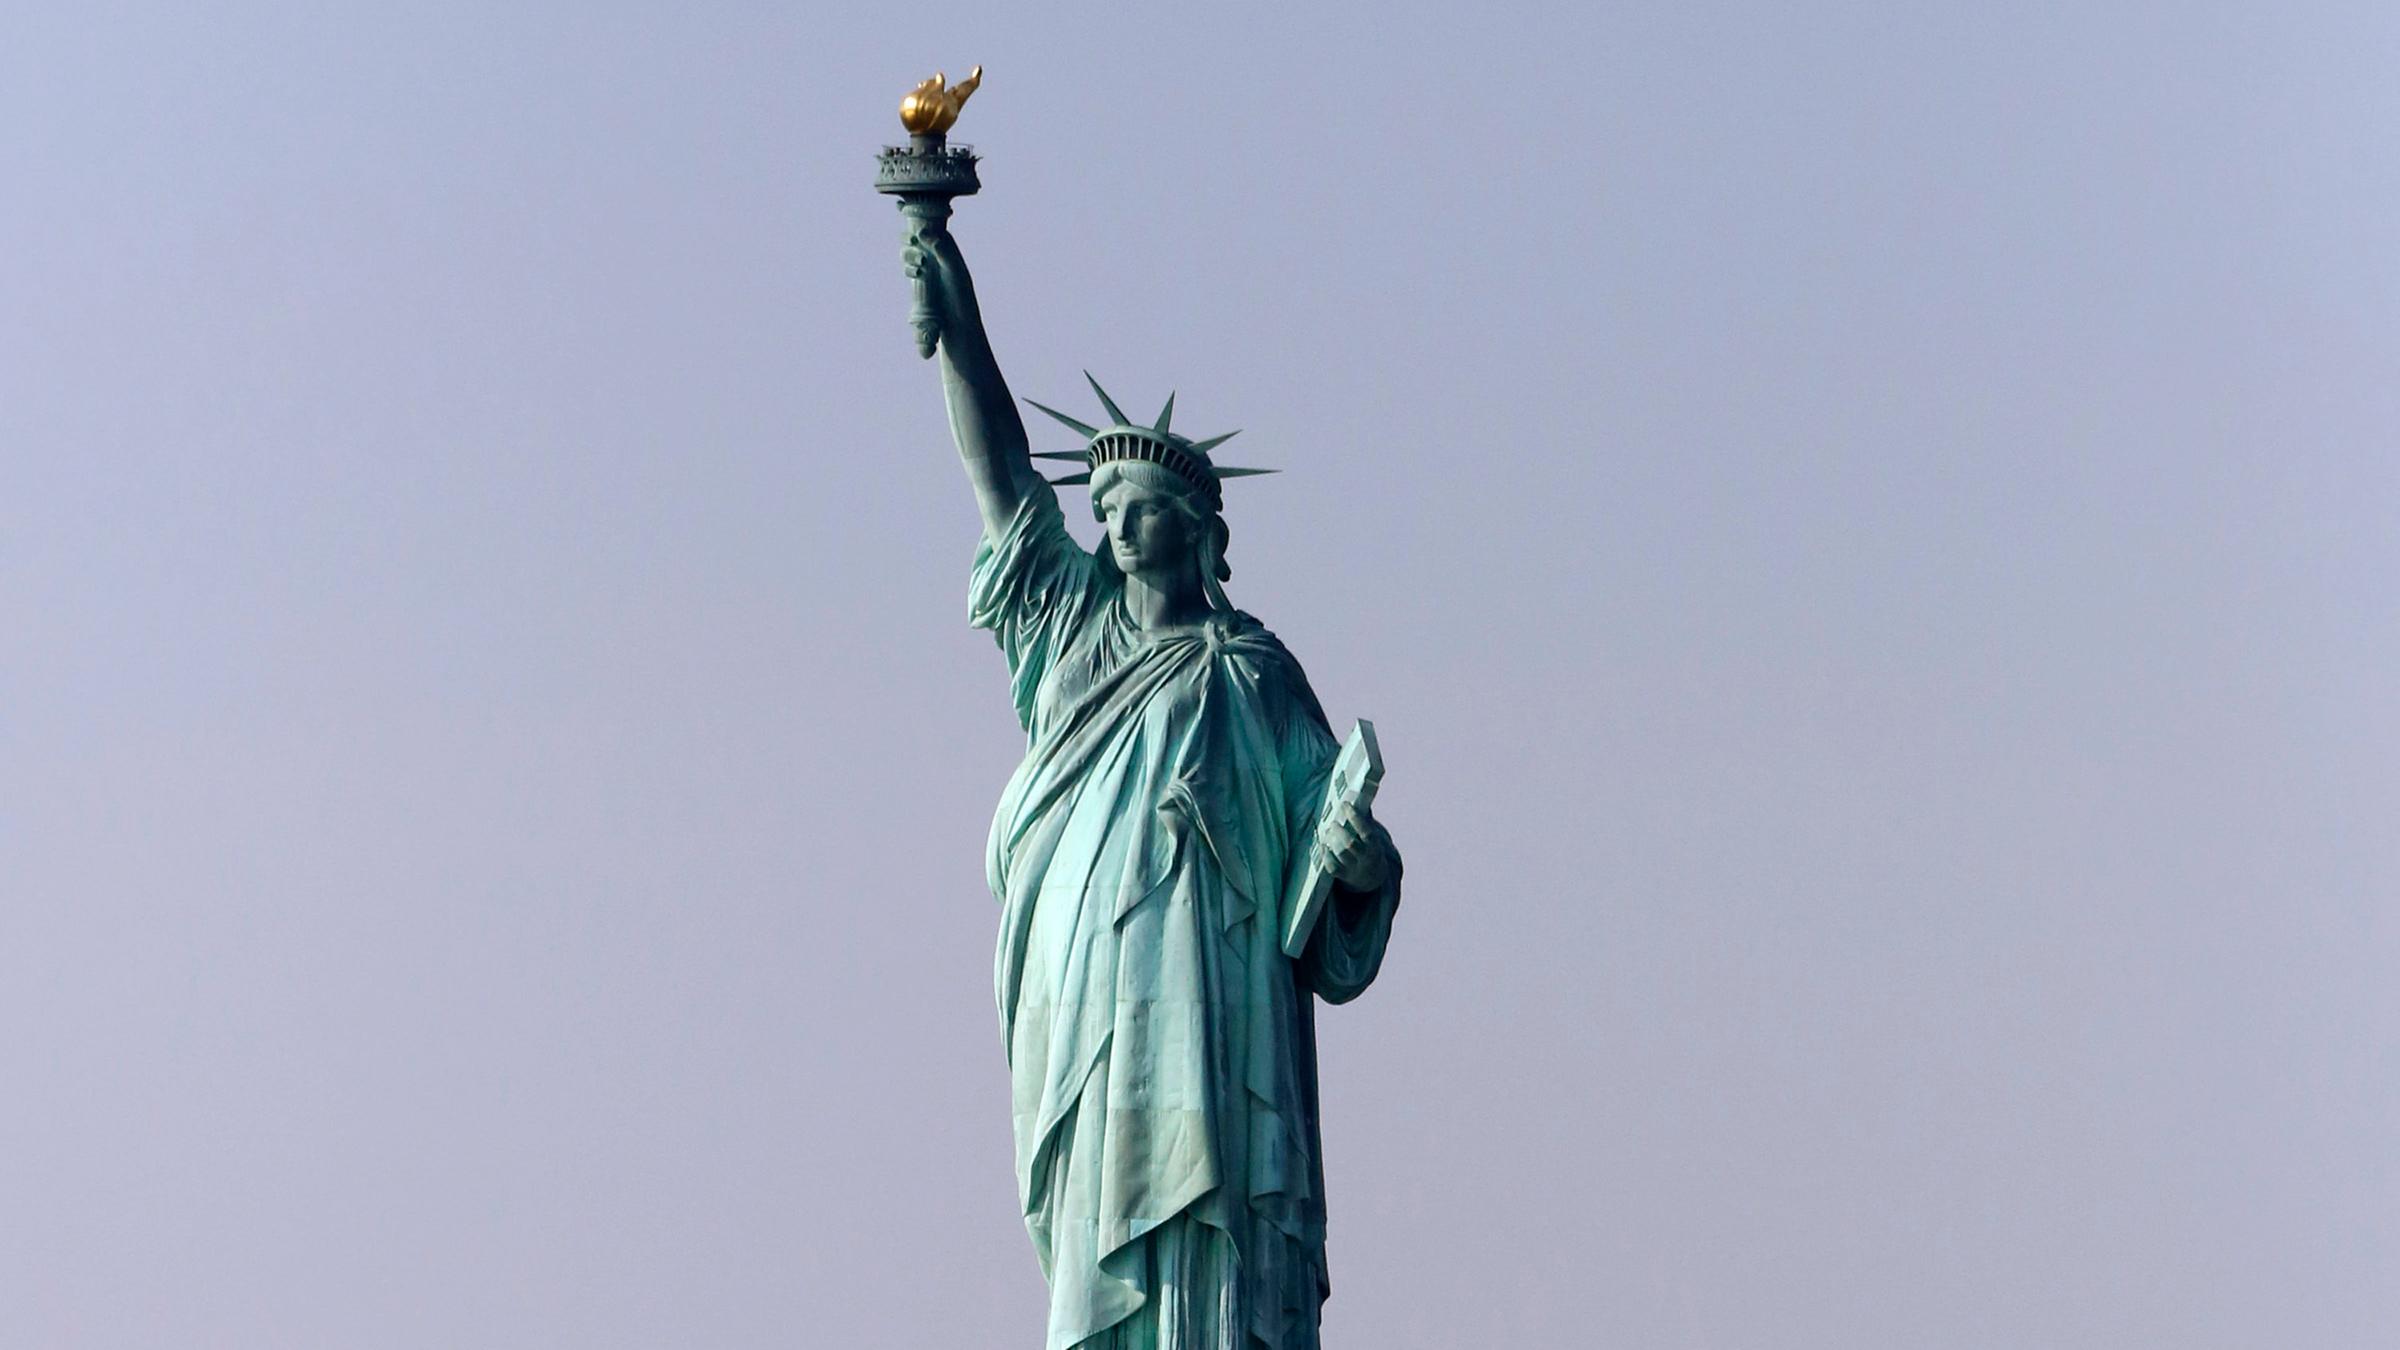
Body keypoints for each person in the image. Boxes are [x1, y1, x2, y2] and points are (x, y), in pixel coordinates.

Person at [903, 222, 1403, 1350]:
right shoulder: (1068, 634)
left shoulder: (1254, 674)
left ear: (1201, 533)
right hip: (1092, 987)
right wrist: (958, 323)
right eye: (1108, 510)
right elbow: (1001, 479)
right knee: (1103, 1210)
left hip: (1220, 1002)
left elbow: (1330, 844)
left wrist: (1363, 864)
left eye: (1145, 509)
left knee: (1214, 1200)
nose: (1121, 527)